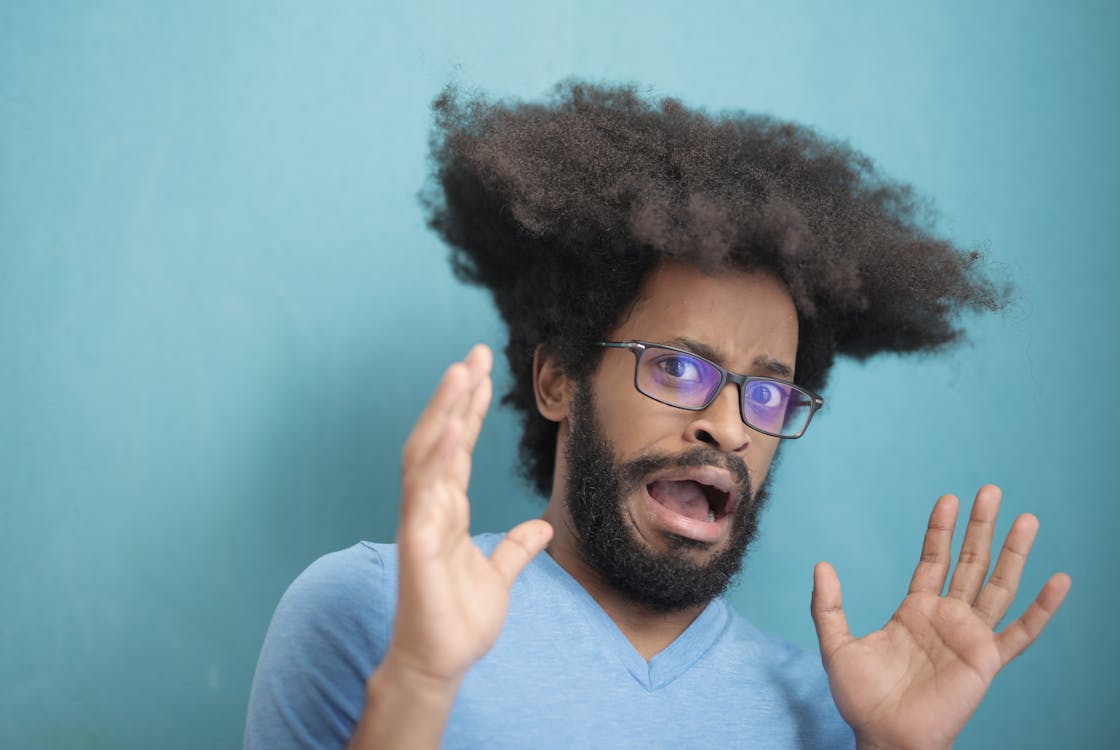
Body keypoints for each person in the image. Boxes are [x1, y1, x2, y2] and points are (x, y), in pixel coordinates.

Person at [245, 82, 1071, 749]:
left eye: (769, 390)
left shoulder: (841, 713)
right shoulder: (367, 610)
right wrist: (422, 680)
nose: (732, 427)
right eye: (678, 367)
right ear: (560, 379)